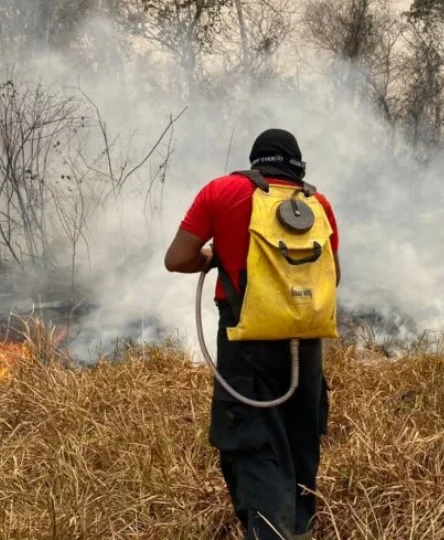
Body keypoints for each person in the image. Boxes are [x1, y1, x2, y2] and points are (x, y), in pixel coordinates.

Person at [164, 128, 340, 539]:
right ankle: (300, 529)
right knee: (300, 442)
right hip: (306, 343)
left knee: (254, 444)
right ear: (298, 166)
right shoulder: (318, 203)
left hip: (246, 343)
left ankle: (269, 533)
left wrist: (213, 258)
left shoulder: (222, 192)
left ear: (255, 160)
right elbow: (335, 277)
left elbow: (176, 259)